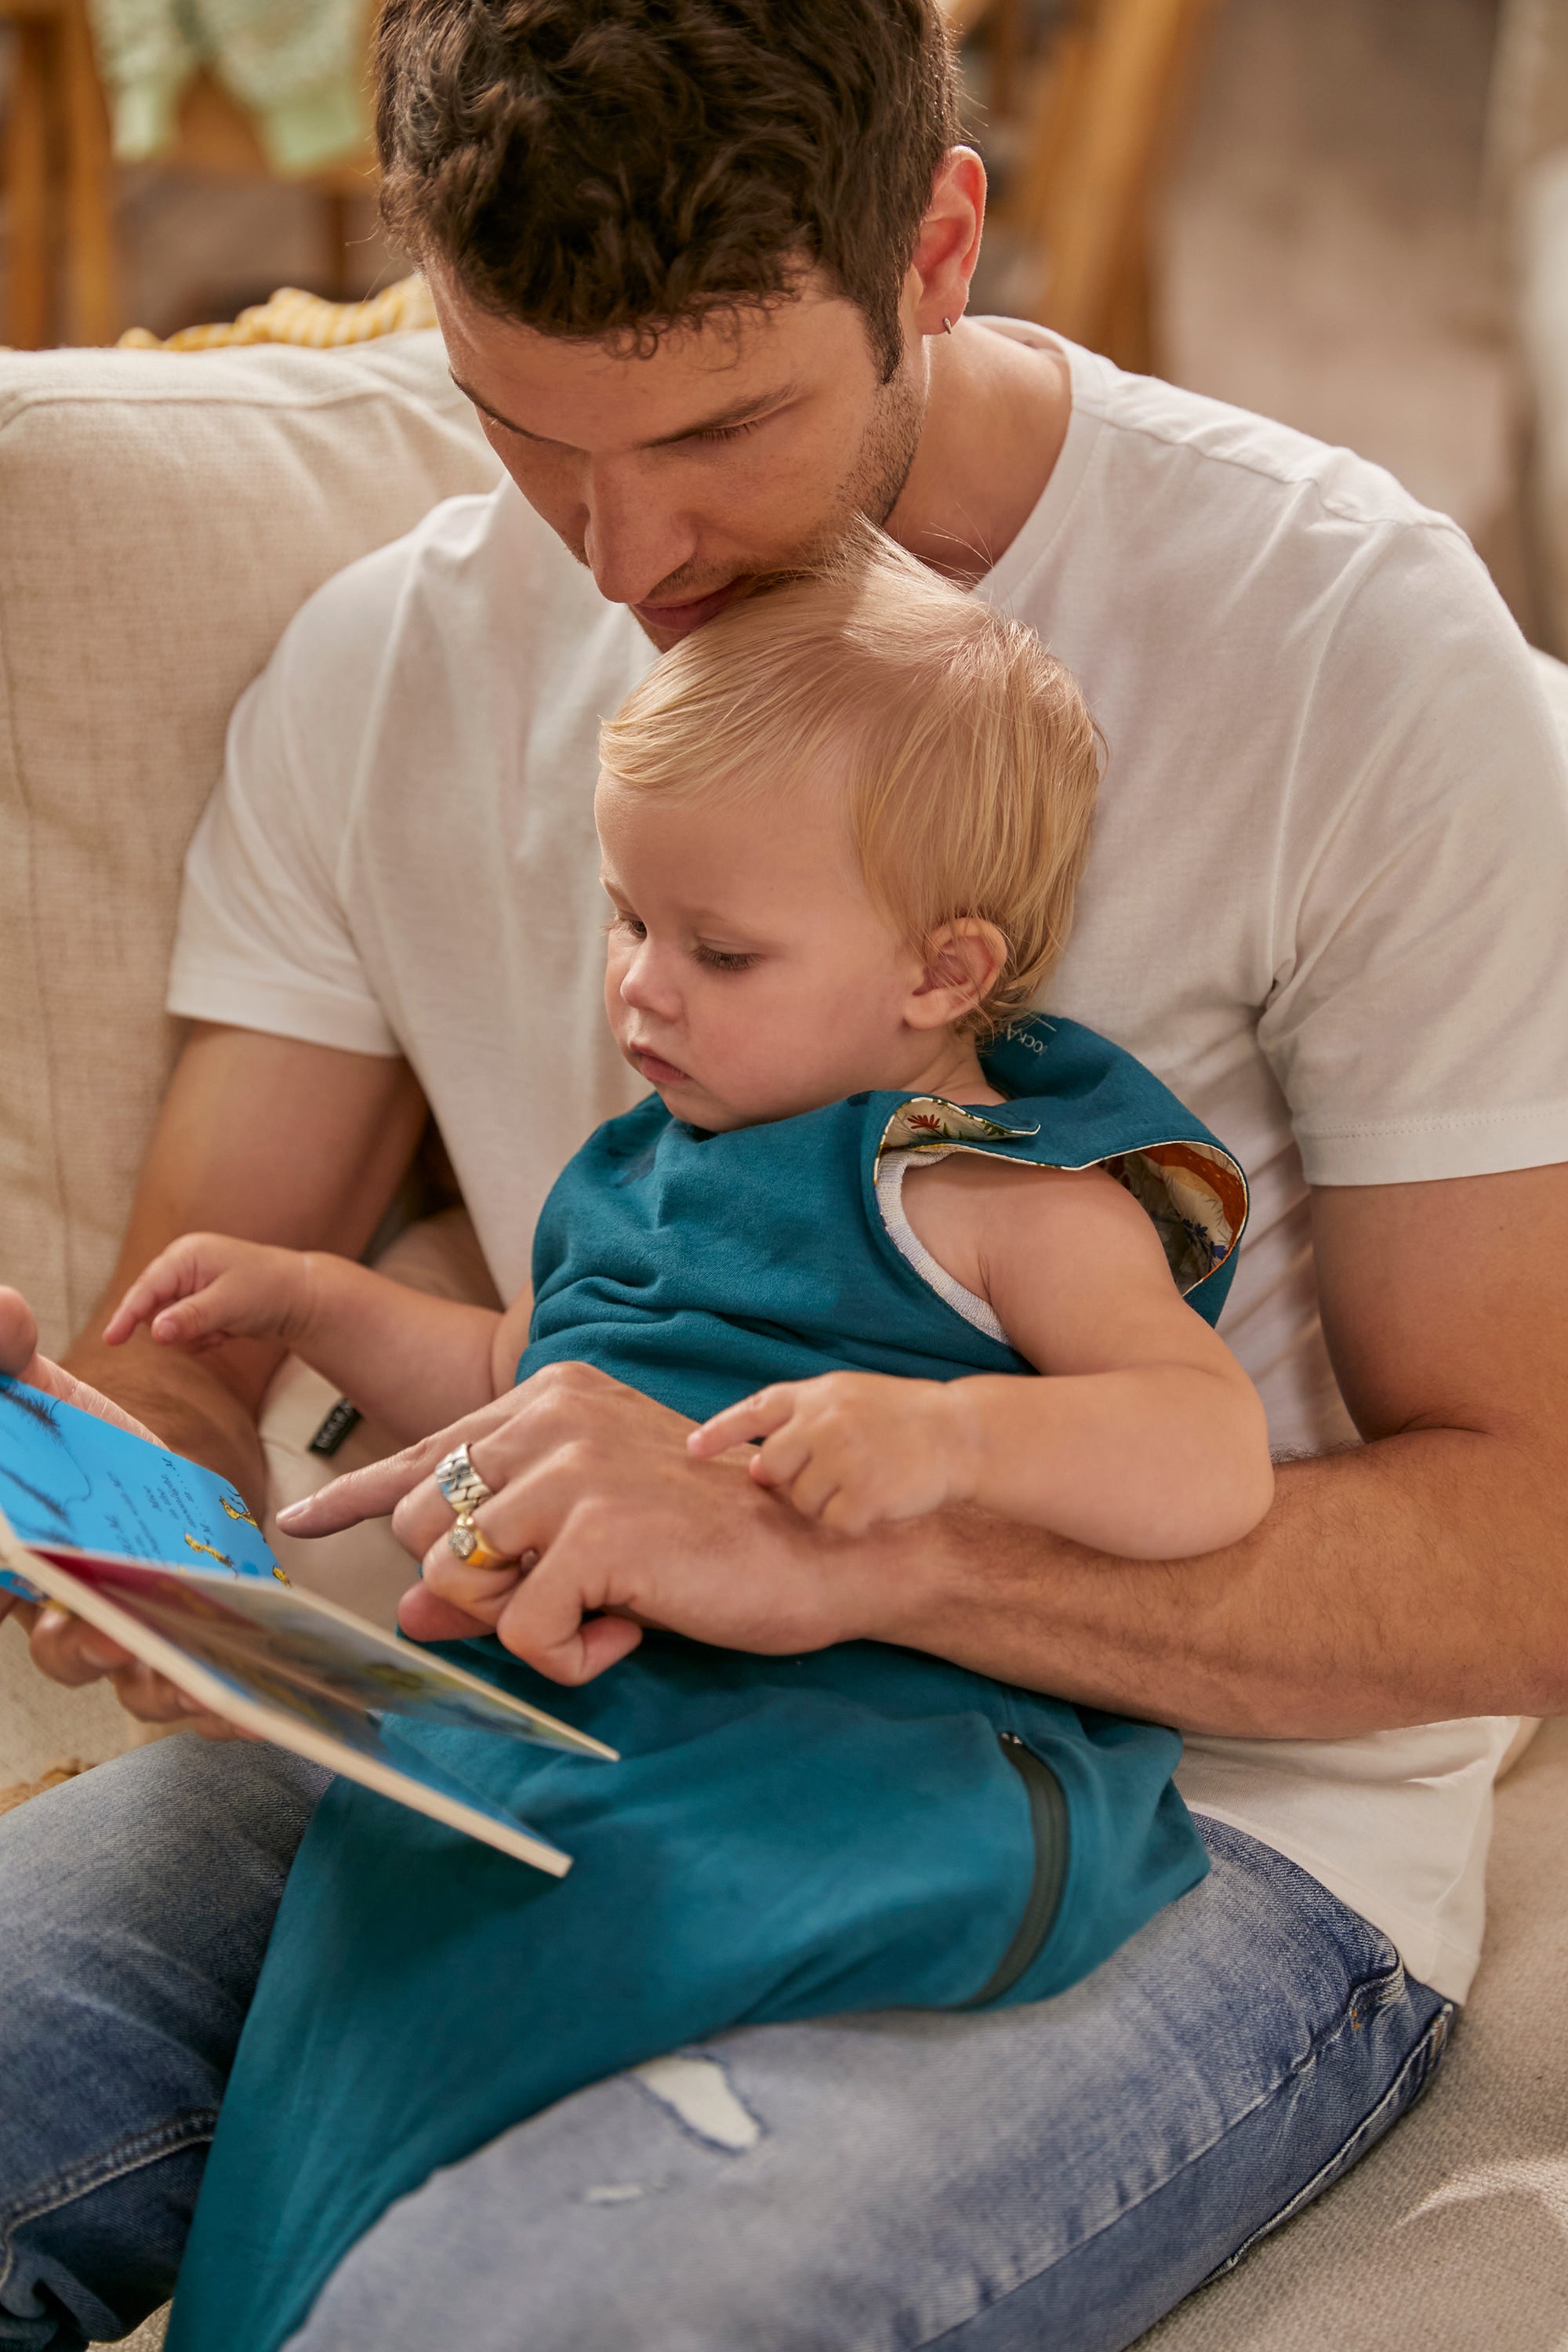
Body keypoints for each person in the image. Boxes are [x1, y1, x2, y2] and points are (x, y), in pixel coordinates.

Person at [1, 0, 1565, 2343]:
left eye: (725, 427)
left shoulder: (1340, 644)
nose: (628, 551)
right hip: (533, 1720)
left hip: (1170, 1823)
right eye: (529, 425)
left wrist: (848, 1547)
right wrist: (113, 1512)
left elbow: (1530, 1539)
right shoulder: (373, 675)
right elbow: (195, 1357)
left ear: (938, 245)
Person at [109, 532, 1269, 2352]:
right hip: (580, 1702)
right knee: (403, 1917)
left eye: (716, 949)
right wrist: (325, 1308)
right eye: (626, 920)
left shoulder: (973, 1191)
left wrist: (953, 1439)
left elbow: (1209, 1448)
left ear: (939, 970)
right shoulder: (648, 1159)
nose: (641, 987)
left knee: (525, 1960)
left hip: (857, 1736)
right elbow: (528, 1364)